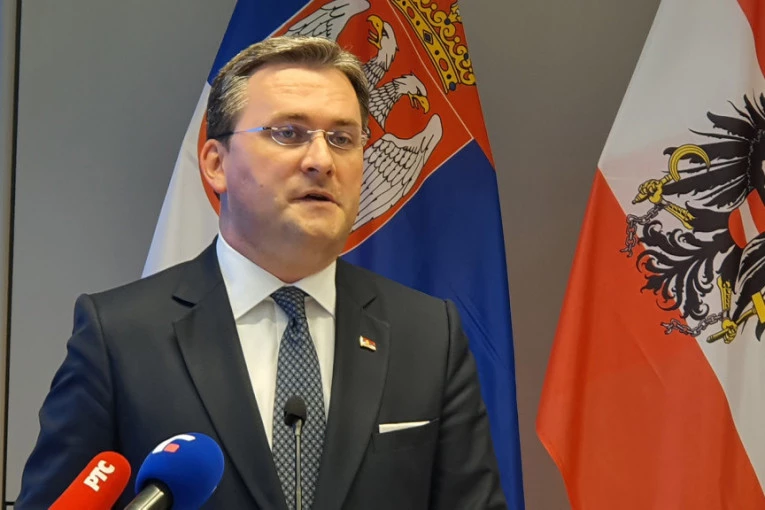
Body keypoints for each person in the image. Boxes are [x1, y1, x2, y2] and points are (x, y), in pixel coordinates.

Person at [16, 36, 507, 509]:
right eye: (288, 133)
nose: (321, 161)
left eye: (342, 139)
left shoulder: (428, 335)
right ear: (216, 164)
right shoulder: (120, 336)